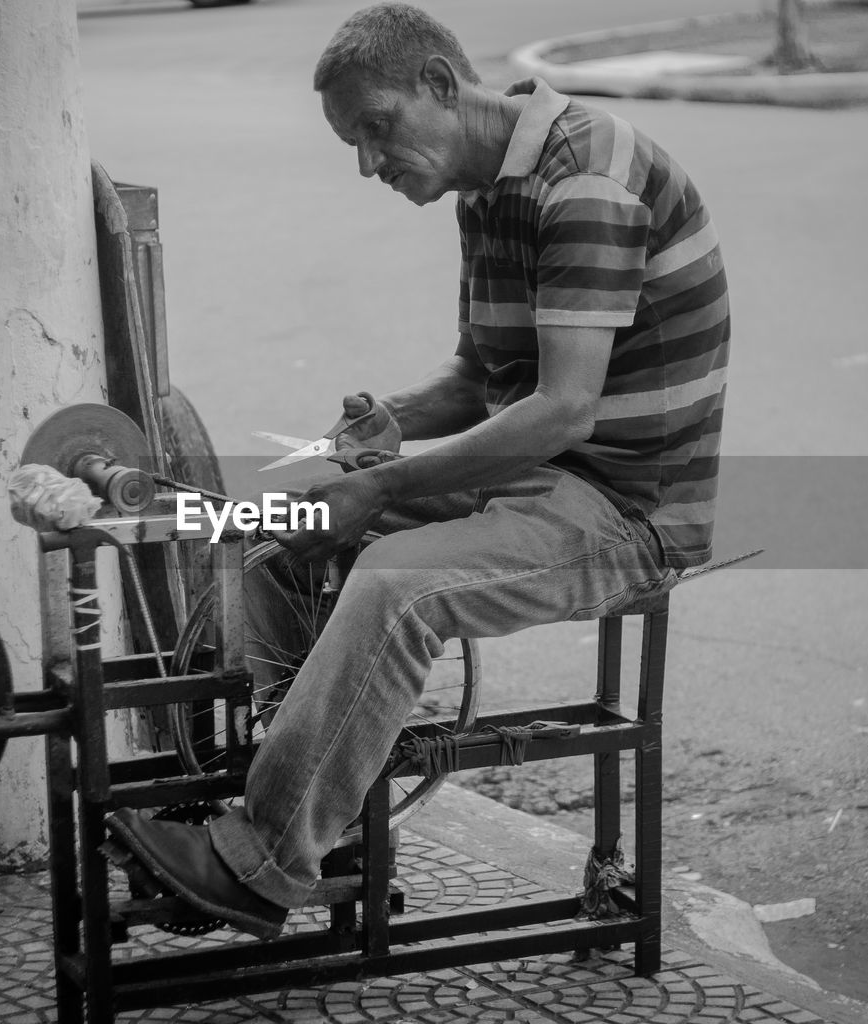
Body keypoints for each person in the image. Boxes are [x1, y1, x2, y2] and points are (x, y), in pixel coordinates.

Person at [95, 2, 729, 940]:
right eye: (352, 143)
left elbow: (562, 407)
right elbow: (483, 378)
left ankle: (263, 859)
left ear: (440, 82)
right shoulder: (486, 189)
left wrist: (386, 487)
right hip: (538, 481)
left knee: (395, 586)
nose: (368, 164)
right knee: (285, 523)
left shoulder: (586, 177)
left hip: (626, 510)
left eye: (377, 129)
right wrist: (395, 421)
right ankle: (324, 811)